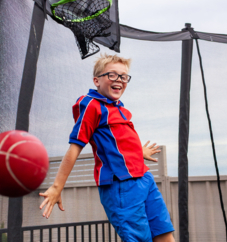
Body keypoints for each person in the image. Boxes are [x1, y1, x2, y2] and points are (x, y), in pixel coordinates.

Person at [39, 54, 175, 242]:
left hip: (144, 179)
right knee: (140, 238)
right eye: (112, 75)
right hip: (121, 185)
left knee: (164, 234)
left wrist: (138, 151)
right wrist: (56, 186)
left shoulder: (119, 107)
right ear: (97, 80)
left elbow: (118, 140)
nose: (119, 80)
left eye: (123, 76)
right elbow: (74, 148)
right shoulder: (90, 105)